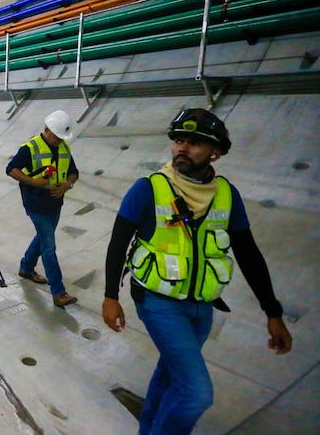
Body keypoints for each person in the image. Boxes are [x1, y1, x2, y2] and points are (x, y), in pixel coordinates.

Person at [102, 108, 292, 435]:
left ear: (215, 152)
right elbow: (117, 243)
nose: (182, 148)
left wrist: (272, 312)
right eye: (178, 141)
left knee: (171, 373)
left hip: (202, 307)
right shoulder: (148, 188)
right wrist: (110, 296)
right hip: (158, 302)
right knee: (196, 393)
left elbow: (249, 254)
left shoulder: (227, 196)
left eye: (194, 143)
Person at [6, 110, 79, 307]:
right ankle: (58, 291)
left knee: (42, 237)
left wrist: (67, 185)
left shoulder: (64, 148)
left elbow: (73, 173)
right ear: (46, 130)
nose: (58, 141)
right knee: (49, 246)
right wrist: (33, 182)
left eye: (61, 137)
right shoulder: (30, 148)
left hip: (55, 203)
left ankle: (27, 267)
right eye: (56, 136)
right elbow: (11, 169)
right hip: (35, 203)